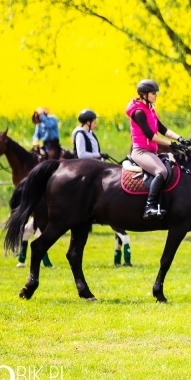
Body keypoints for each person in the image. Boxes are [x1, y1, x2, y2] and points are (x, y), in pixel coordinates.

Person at [72, 109, 132, 266]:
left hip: (94, 166)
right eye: (94, 121)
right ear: (88, 122)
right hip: (83, 168)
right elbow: (81, 154)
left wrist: (100, 155)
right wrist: (98, 155)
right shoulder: (80, 134)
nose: (96, 123)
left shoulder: (90, 133)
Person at [125, 79, 191, 220]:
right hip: (140, 151)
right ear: (144, 94)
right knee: (161, 171)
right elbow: (150, 135)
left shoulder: (151, 109)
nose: (156, 95)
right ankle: (149, 206)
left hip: (151, 152)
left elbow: (162, 129)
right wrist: (170, 144)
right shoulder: (138, 112)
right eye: (154, 93)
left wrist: (179, 138)